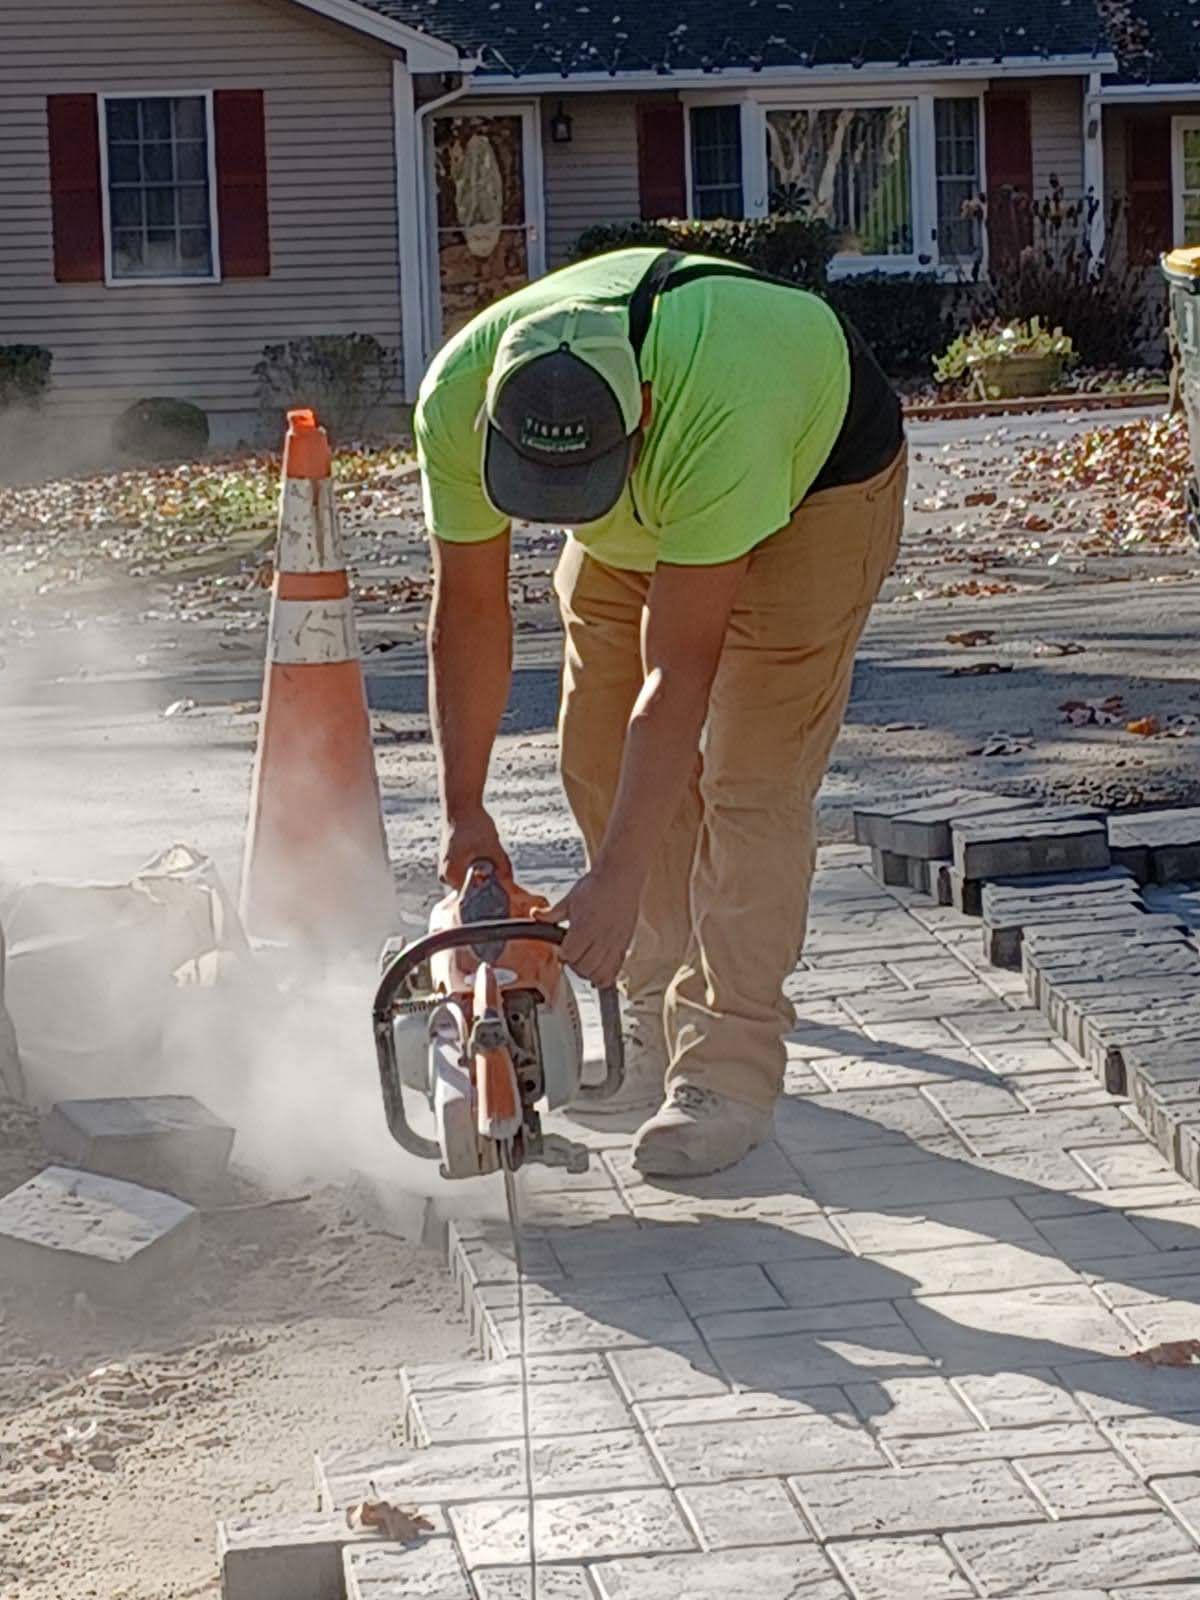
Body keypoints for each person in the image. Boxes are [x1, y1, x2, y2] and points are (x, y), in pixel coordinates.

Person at [415, 246, 906, 1178]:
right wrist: (463, 811)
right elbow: (470, 612)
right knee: (598, 744)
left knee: (748, 778)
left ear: (635, 413)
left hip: (817, 488)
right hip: (652, 492)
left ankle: (726, 1069)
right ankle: (649, 1006)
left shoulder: (724, 415)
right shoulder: (454, 397)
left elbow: (680, 674)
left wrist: (621, 874)